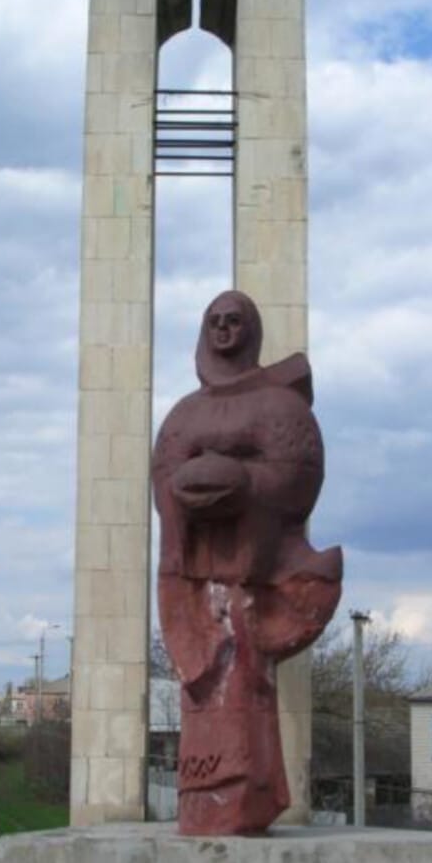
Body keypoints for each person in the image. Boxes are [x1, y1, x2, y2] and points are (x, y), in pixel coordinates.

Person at [151, 290, 343, 834]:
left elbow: (296, 471)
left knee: (241, 675)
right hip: (198, 572)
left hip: (252, 573)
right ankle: (207, 792)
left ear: (251, 331)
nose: (223, 330)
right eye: (214, 321)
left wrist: (239, 484)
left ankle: (244, 790)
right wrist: (191, 494)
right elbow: (165, 470)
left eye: (234, 321)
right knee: (206, 675)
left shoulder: (278, 405)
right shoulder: (187, 413)